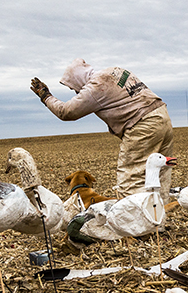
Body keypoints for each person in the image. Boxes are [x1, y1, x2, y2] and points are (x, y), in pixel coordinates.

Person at [30, 59, 173, 196]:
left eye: (72, 86)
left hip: (142, 126)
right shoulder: (115, 71)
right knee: (160, 175)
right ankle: (158, 216)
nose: (75, 91)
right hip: (162, 116)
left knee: (131, 182)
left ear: (77, 78)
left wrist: (46, 96)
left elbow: (66, 112)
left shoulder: (95, 87)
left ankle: (131, 219)